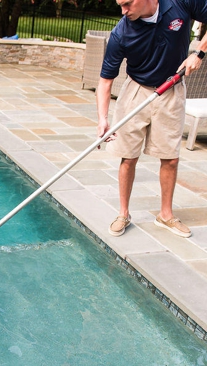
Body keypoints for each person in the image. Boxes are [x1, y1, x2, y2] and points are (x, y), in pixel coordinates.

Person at [96, 0, 207, 238]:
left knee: (171, 158)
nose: (123, 11)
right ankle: (123, 213)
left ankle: (165, 215)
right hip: (136, 90)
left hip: (171, 89)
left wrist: (199, 52)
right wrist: (102, 119)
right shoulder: (121, 32)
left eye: (126, 4)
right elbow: (105, 81)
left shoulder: (181, 3)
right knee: (128, 157)